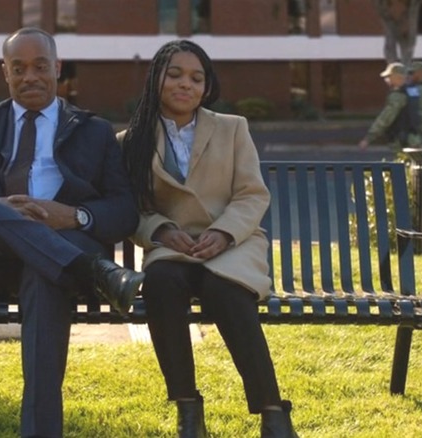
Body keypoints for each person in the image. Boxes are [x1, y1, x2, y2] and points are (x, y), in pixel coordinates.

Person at [0, 27, 143, 438]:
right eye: (19, 68)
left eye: (40, 66)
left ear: (57, 68)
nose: (30, 77)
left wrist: (74, 216)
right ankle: (93, 271)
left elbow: (124, 209)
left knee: (44, 273)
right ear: (4, 72)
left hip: (57, 257)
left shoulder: (94, 131)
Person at [119, 40, 299, 438]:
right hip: (174, 247)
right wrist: (162, 230)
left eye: (196, 78)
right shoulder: (132, 140)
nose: (186, 84)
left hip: (232, 242)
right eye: (175, 75)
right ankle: (188, 410)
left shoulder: (232, 128)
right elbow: (133, 208)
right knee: (160, 284)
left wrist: (223, 232)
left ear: (206, 86)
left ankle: (273, 413)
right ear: (156, 79)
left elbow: (252, 194)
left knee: (225, 289)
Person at [359, 62, 422, 151]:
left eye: (389, 77)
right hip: (416, 139)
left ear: (397, 77)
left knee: (403, 160)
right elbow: (421, 114)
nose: (387, 80)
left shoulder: (397, 96)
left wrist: (368, 138)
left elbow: (385, 119)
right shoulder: (413, 92)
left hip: (403, 140)